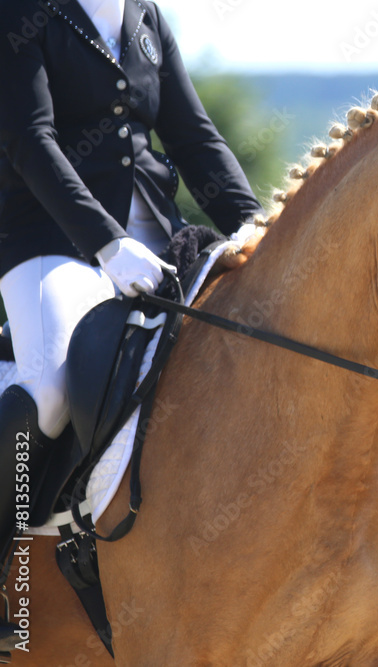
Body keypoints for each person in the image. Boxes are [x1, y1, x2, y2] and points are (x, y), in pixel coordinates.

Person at [0, 0, 265, 642]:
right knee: (50, 384)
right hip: (51, 241)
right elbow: (29, 140)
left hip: (159, 238)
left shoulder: (144, 16)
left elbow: (196, 139)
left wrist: (263, 233)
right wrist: (105, 243)